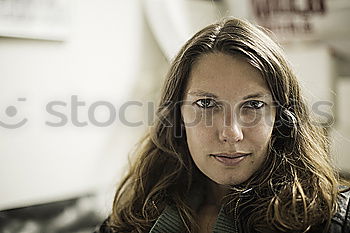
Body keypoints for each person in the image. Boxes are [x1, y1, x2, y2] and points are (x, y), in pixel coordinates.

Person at [95, 17, 350, 233]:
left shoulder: (331, 219)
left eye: (254, 105)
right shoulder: (132, 215)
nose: (231, 133)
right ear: (177, 116)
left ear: (282, 118)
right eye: (206, 104)